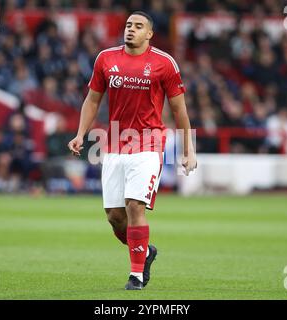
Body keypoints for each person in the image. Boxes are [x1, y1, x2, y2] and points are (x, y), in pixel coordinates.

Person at [68, 11, 197, 290]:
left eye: (138, 26)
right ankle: (145, 251)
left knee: (135, 205)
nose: (131, 30)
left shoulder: (164, 63)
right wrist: (80, 134)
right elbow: (92, 101)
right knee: (115, 217)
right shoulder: (106, 59)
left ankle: (136, 275)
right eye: (128, 25)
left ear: (149, 34)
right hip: (114, 144)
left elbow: (179, 110)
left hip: (149, 145)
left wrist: (188, 150)